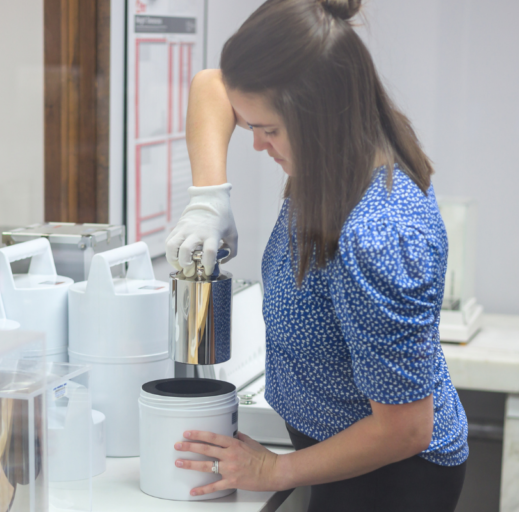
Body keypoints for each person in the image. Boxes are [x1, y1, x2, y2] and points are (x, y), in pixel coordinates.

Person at [164, 1, 469, 510]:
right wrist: (207, 199)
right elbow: (212, 83)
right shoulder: (348, 142)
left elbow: (407, 429)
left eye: (270, 130)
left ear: (322, 115)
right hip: (338, 454)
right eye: (250, 125)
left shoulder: (377, 236)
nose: (258, 145)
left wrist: (276, 469)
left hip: (392, 477)